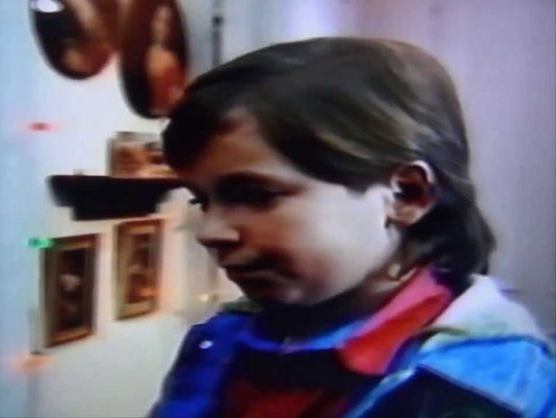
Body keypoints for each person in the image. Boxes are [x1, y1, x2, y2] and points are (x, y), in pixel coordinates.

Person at [149, 38, 555, 418]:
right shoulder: (223, 339)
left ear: (406, 195)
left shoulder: (480, 383)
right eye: (202, 201)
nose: (210, 231)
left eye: (255, 194)